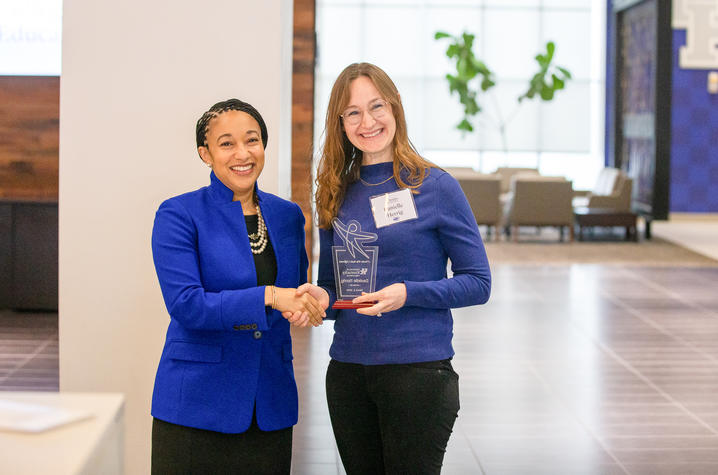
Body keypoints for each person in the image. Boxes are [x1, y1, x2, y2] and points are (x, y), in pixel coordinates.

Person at [311, 63, 492, 474]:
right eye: (353, 112)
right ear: (340, 123)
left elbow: (478, 283)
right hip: (348, 374)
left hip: (418, 373)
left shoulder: (434, 186)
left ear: (395, 108)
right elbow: (332, 285)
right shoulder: (334, 191)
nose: (367, 121)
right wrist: (317, 299)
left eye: (377, 106)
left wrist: (408, 293)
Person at [150, 98, 328, 474]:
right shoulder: (179, 213)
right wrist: (269, 296)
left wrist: (305, 305)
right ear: (206, 153)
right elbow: (187, 305)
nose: (242, 153)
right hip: (196, 402)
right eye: (226, 143)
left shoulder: (287, 215)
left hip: (270, 400)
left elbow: (292, 293)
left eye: (252, 140)